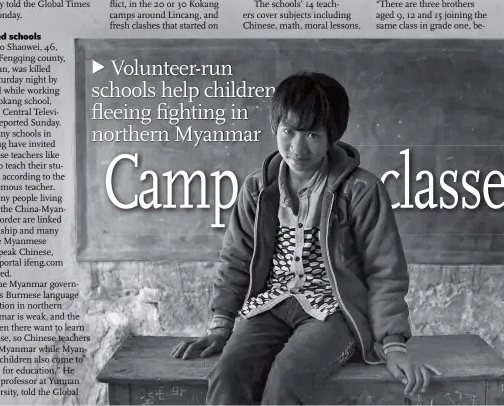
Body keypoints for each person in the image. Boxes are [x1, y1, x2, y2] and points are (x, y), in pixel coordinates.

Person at [172, 71, 440, 404]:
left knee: (287, 377)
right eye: (289, 131)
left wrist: (394, 344)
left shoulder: (360, 190)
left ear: (333, 136)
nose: (298, 147)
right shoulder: (258, 189)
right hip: (269, 306)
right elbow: (236, 260)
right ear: (276, 128)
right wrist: (220, 325)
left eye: (312, 134)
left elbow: (385, 270)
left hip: (334, 314)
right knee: (228, 373)